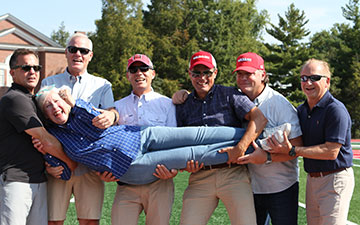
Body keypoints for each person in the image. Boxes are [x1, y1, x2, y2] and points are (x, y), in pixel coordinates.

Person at [34, 86, 287, 186]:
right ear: (44, 115)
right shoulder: (55, 137)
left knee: (199, 134)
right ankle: (260, 149)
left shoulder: (79, 112)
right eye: (49, 106)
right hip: (131, 166)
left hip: (140, 135)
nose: (56, 107)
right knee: (193, 153)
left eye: (57, 101)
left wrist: (72, 101)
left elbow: (96, 117)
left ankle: (261, 137)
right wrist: (51, 164)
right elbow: (67, 171)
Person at [175, 51, 267, 225]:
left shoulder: (230, 94)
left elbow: (259, 118)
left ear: (215, 73)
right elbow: (180, 141)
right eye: (196, 73)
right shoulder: (183, 105)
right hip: (200, 176)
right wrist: (185, 164)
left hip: (233, 173)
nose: (201, 78)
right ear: (190, 74)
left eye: (207, 73)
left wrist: (240, 148)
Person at [40, 33, 119, 225]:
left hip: (90, 167)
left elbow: (111, 115)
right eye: (73, 49)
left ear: (90, 55)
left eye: (83, 51)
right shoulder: (48, 84)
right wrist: (47, 165)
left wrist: (113, 115)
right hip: (59, 164)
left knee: (90, 222)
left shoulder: (102, 85)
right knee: (53, 221)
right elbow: (42, 127)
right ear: (66, 52)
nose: (78, 54)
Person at [269, 59, 354, 225]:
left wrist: (293, 150)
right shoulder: (301, 110)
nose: (308, 82)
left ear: (327, 81)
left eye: (314, 77)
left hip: (334, 178)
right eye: (303, 78)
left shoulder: (335, 110)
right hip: (312, 180)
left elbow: (331, 152)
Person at [0, 49, 75, 225]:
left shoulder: (33, 100)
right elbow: (44, 139)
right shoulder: (14, 99)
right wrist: (71, 164)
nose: (32, 72)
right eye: (26, 67)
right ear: (12, 72)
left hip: (39, 180)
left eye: (36, 67)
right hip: (15, 182)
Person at [233, 52, 303, 225]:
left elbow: (297, 147)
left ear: (262, 75)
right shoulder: (234, 100)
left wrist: (268, 157)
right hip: (248, 188)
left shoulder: (279, 104)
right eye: (240, 74)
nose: (243, 78)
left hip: (281, 187)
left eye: (249, 73)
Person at [112, 54, 177, 225]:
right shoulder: (117, 106)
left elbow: (174, 141)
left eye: (144, 69)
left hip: (159, 181)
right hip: (126, 183)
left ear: (153, 73)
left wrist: (174, 170)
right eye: (133, 70)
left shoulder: (168, 104)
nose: (138, 73)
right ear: (128, 76)